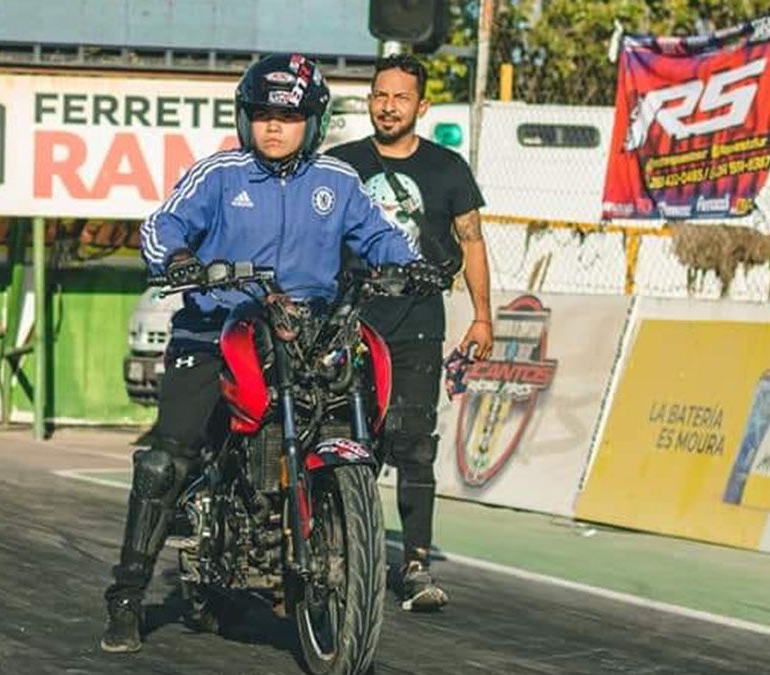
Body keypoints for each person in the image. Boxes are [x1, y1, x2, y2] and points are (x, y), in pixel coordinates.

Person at [101, 52, 427, 654]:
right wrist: (177, 261)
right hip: (216, 331)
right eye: (262, 114)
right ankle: (126, 595)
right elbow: (160, 227)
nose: (274, 126)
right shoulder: (219, 175)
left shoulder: (337, 183)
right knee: (164, 460)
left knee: (378, 403)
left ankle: (328, 524)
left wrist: (409, 261)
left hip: (307, 333)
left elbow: (380, 234)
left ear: (315, 121)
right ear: (245, 118)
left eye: (290, 115)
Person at [326, 54, 492, 612]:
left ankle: (415, 564)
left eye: (400, 97)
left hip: (417, 324)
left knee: (415, 446)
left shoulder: (448, 170)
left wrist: (483, 316)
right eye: (379, 95)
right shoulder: (339, 165)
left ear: (422, 107)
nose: (387, 106)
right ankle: (341, 549)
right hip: (349, 321)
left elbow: (472, 243)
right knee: (346, 444)